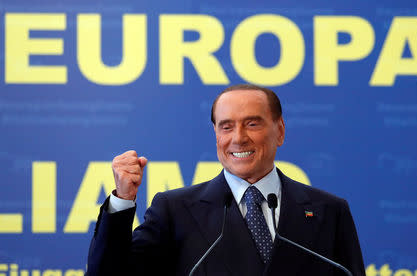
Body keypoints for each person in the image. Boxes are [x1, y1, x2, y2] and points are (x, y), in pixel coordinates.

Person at [86, 84, 366, 276]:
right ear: (216, 135)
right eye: (226, 126)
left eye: (252, 123)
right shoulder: (175, 210)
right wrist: (122, 200)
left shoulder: (328, 210)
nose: (238, 137)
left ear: (279, 131)